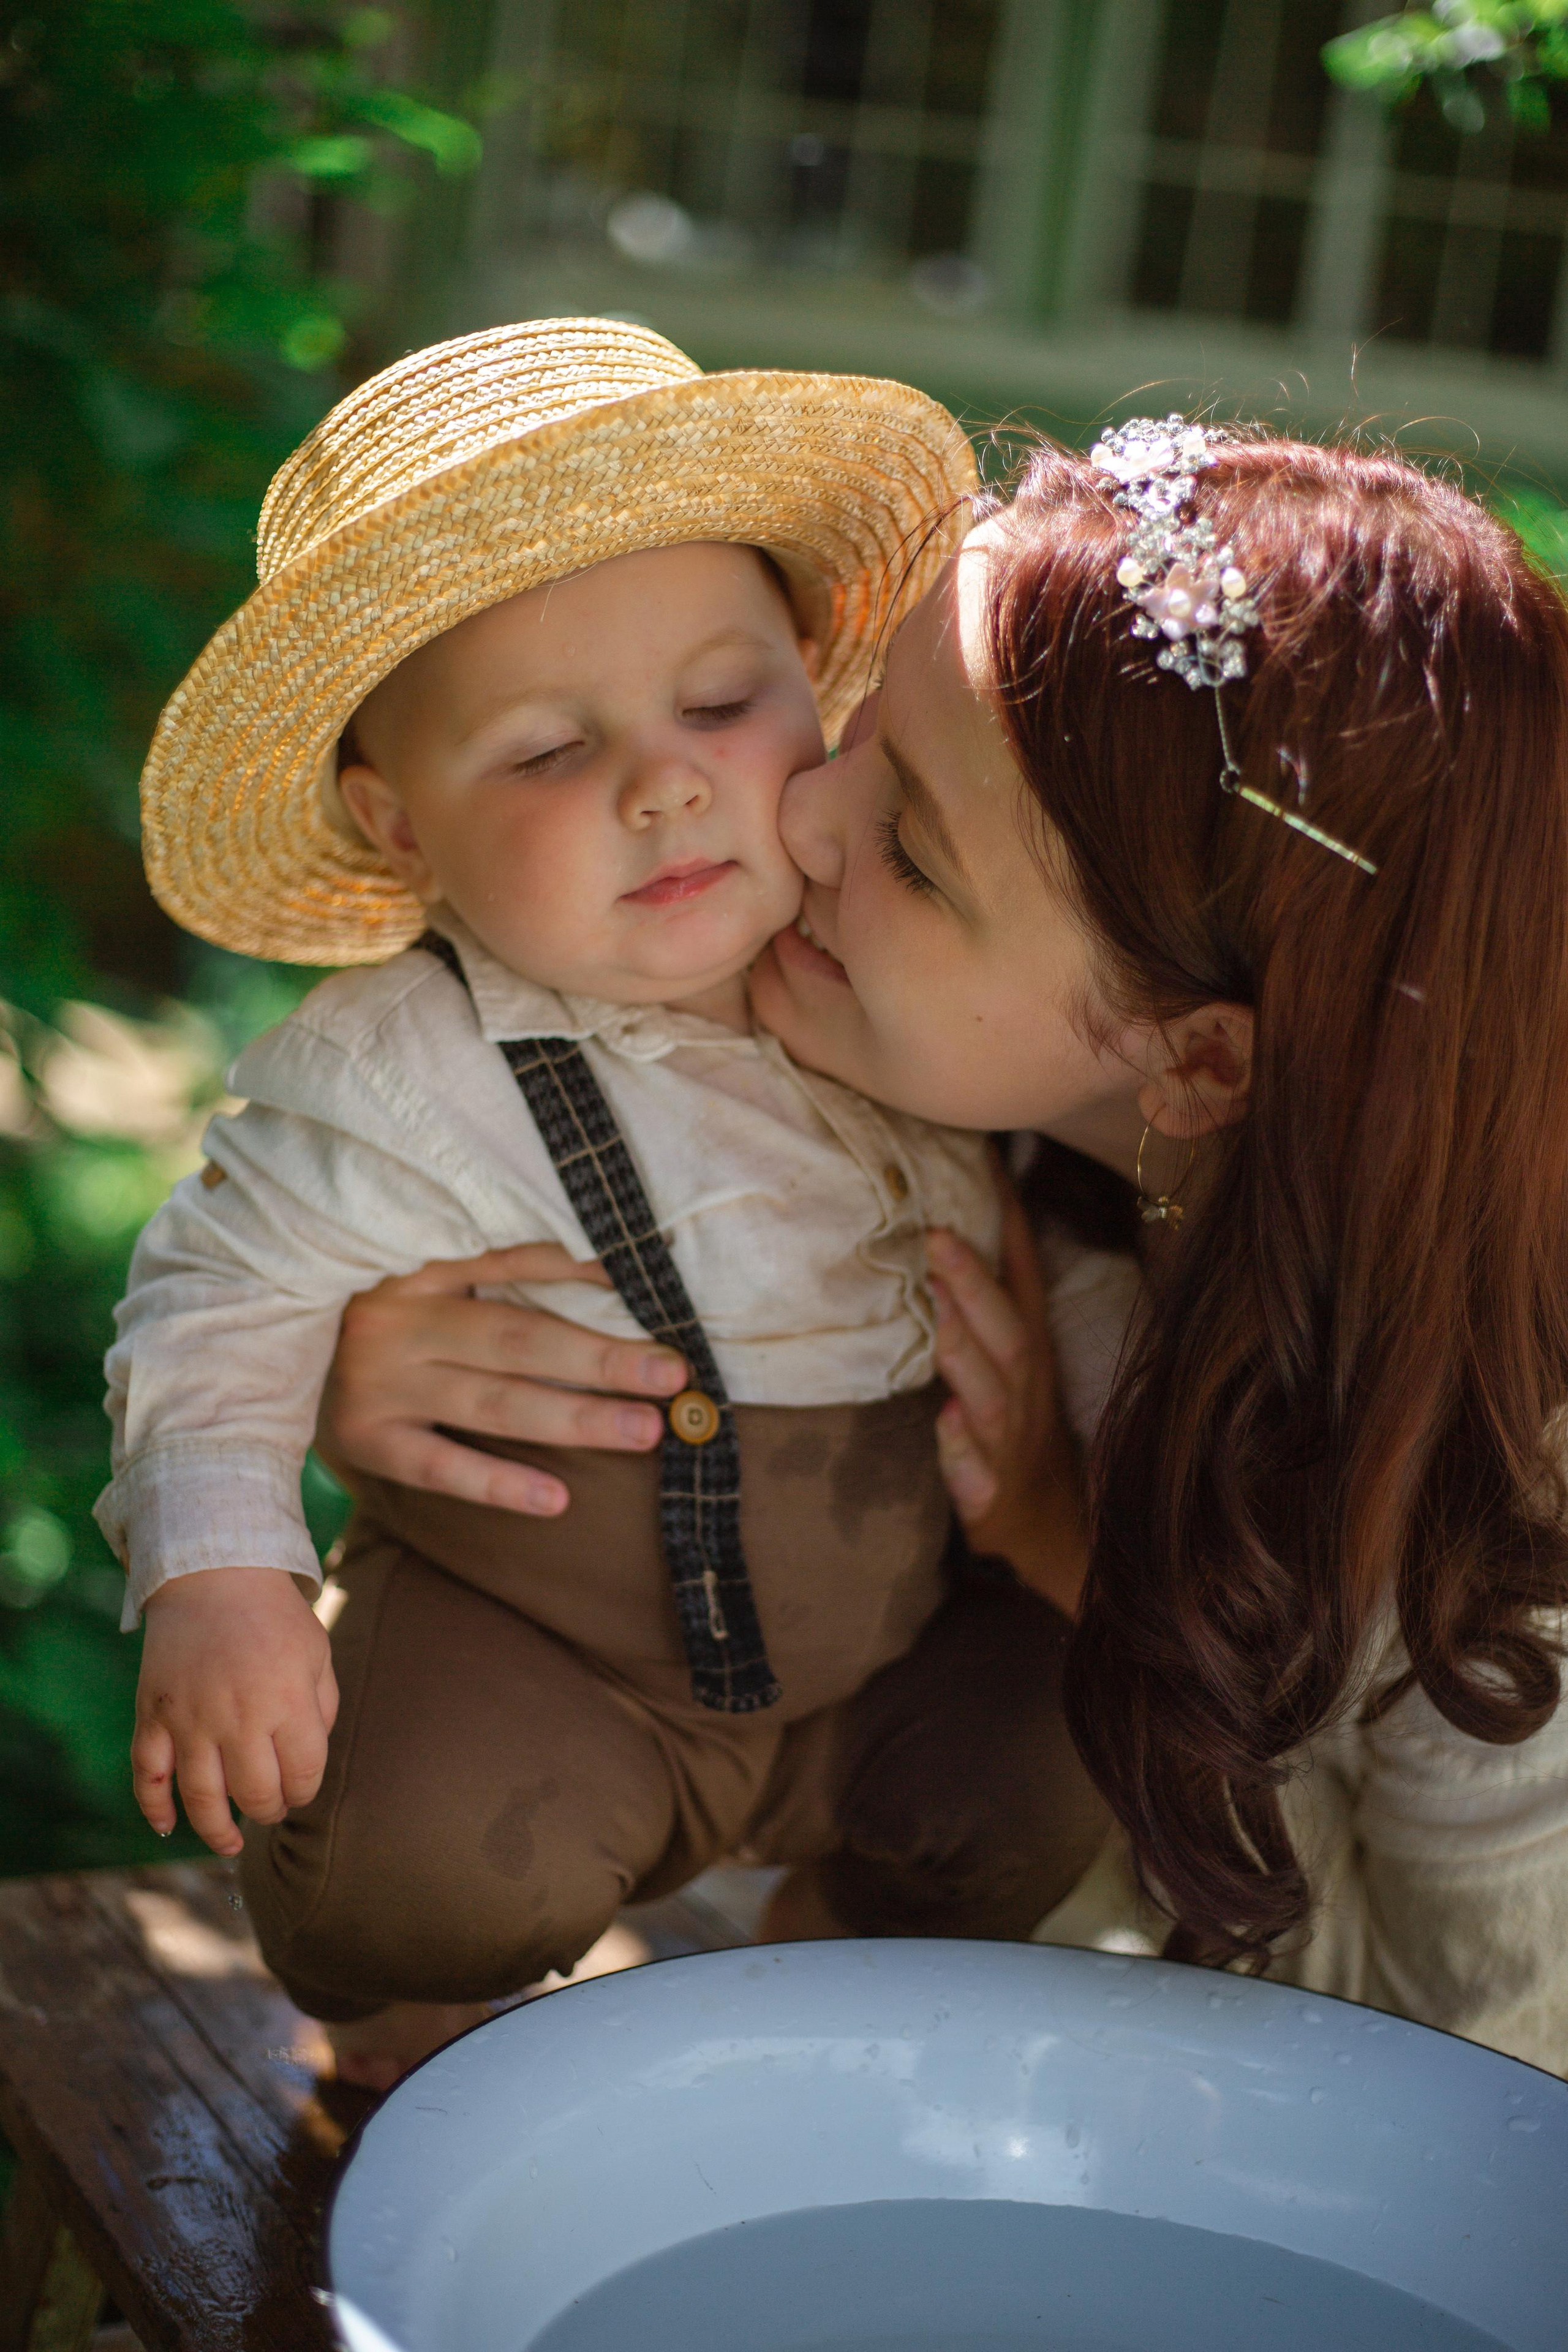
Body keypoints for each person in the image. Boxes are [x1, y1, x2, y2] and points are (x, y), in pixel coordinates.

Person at [323, 418, 1568, 2075]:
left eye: (912, 849)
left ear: (1196, 1059)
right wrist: (365, 1353)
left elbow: (1468, 2085)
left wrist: (1086, 1573)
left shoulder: (1506, 1529)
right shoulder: (936, 1112)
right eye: (856, 731)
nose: (806, 819)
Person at [98, 318, 1115, 2090]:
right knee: (403, 1855)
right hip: (554, 1660)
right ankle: (414, 2053)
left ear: (814, 677)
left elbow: (1065, 1180)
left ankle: (832, 1962)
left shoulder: (895, 943)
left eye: (720, 704)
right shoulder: (403, 1068)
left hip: (893, 1643)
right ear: (395, 821)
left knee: (1053, 1764)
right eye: (549, 751)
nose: (664, 779)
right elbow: (217, 1292)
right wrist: (223, 1573)